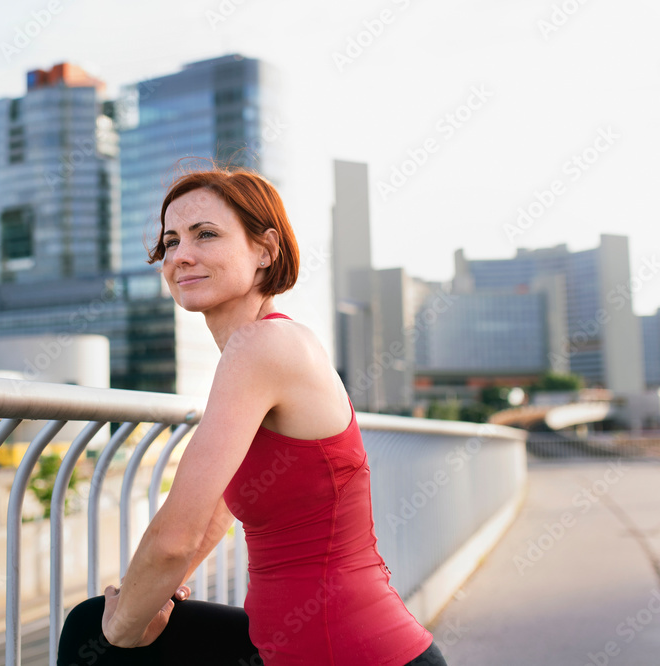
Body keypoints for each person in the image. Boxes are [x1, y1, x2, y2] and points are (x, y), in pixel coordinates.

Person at [57, 167, 447, 665]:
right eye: (171, 241)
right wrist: (159, 595)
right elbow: (212, 516)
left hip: (352, 654)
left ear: (265, 251)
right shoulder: (255, 353)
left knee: (92, 630)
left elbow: (173, 539)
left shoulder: (262, 347)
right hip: (285, 645)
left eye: (206, 235)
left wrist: (121, 627)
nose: (181, 255)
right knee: (99, 623)